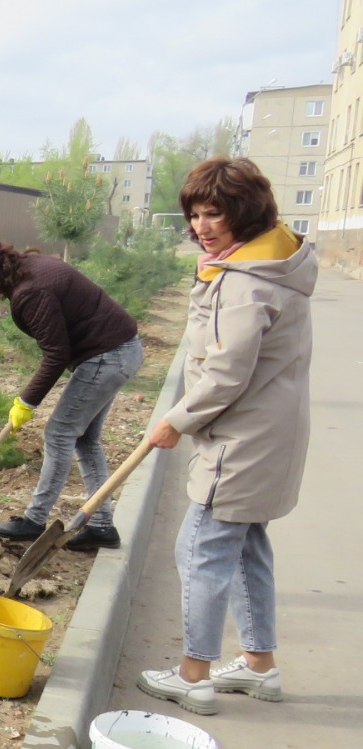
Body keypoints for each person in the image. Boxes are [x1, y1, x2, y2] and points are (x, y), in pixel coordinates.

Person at [137, 157, 314, 716]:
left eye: (214, 214)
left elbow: (226, 373)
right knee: (246, 548)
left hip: (241, 441)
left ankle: (194, 674)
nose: (201, 226)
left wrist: (176, 420)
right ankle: (260, 665)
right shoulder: (269, 262)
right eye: (195, 215)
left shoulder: (244, 283)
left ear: (244, 212)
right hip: (271, 433)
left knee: (199, 551)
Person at [0, 232, 142, 550]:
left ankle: (34, 521)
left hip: (107, 356)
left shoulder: (30, 291)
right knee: (85, 440)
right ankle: (102, 526)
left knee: (59, 434)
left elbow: (56, 354)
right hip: (120, 350)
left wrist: (26, 401)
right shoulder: (29, 267)